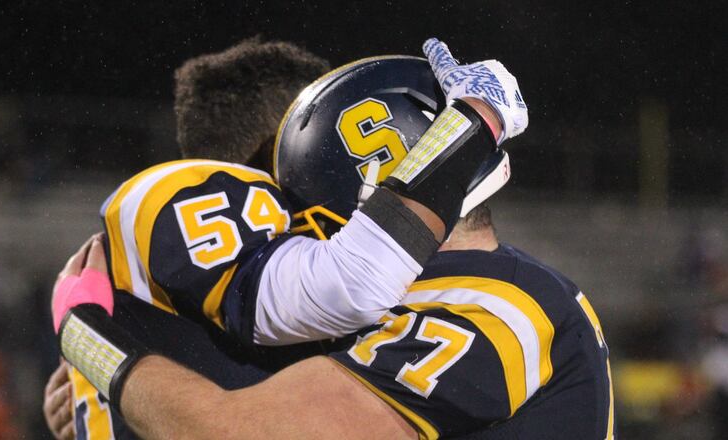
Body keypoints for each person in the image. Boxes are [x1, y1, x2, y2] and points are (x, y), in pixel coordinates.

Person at [51, 40, 614, 439]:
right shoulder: (493, 294)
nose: (286, 220)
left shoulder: (497, 309)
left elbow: (228, 432)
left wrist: (90, 340)